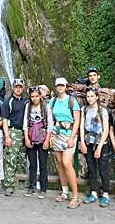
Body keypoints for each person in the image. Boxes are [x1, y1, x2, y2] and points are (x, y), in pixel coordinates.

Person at [50, 77, 81, 209]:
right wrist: (50, 134)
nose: (60, 87)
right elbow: (51, 119)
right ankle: (64, 191)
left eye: (62, 85)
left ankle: (75, 196)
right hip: (57, 133)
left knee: (67, 163)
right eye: (58, 85)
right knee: (60, 164)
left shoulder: (72, 101)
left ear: (66, 86)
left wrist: (72, 137)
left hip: (69, 134)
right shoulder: (53, 100)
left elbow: (77, 121)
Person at [79, 87, 110, 207]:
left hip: (101, 143)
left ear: (97, 97)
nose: (90, 98)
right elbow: (81, 126)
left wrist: (100, 147)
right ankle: (93, 193)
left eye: (92, 96)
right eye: (88, 96)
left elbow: (106, 129)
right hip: (88, 141)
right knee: (91, 169)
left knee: (103, 169)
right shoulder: (84, 109)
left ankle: (106, 194)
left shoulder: (103, 111)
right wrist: (82, 141)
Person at [23, 86, 53, 198]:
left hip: (42, 136)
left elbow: (50, 124)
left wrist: (47, 140)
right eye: (32, 96)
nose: (34, 99)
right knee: (32, 164)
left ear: (40, 96)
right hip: (31, 136)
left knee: (43, 164)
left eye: (36, 96)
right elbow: (25, 124)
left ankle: (43, 188)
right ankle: (31, 187)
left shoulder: (46, 107)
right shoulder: (28, 106)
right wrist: (26, 138)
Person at [2, 78, 28, 196]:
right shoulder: (8, 101)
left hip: (25, 132)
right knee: (11, 158)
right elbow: (4, 119)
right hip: (13, 131)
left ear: (23, 88)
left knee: (22, 159)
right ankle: (9, 184)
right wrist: (7, 136)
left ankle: (21, 182)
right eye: (16, 87)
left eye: (20, 87)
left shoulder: (26, 101)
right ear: (13, 88)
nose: (18, 89)